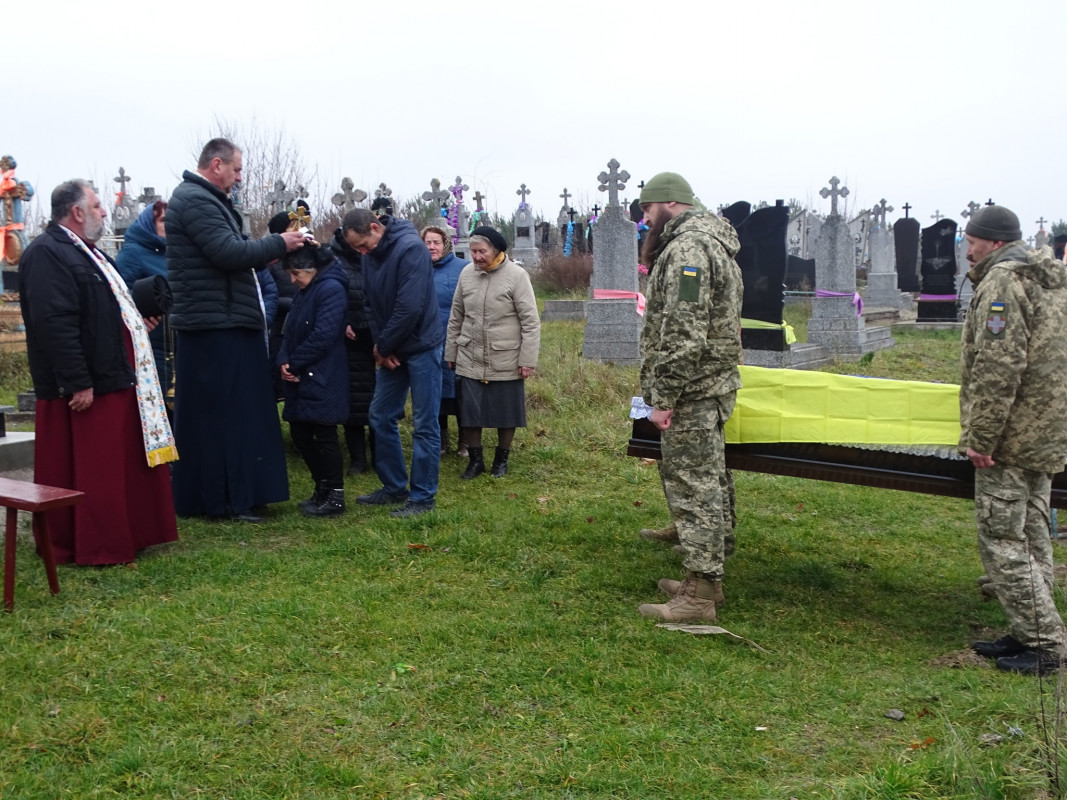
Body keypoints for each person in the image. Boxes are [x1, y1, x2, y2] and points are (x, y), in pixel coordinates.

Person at [19, 180, 178, 564]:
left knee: (117, 470)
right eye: (97, 205)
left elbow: (97, 309)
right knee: (96, 474)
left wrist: (133, 321)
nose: (104, 211)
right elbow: (54, 322)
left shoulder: (86, 252)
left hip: (112, 376)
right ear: (76, 212)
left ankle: (128, 534)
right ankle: (94, 543)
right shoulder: (48, 253)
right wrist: (77, 381)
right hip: (85, 387)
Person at [166, 137, 306, 522]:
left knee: (242, 411)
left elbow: (235, 252)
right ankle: (225, 499)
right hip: (215, 325)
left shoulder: (209, 200)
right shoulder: (194, 200)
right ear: (216, 165)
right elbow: (228, 253)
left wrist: (275, 249)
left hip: (226, 319)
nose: (240, 177)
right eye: (238, 169)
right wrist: (280, 241)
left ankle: (242, 492)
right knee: (223, 416)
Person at [961, 205, 1067, 676]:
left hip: (1012, 434)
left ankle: (1045, 643)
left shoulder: (1004, 280)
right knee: (1031, 531)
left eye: (974, 240)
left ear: (995, 242)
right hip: (1045, 428)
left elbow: (999, 366)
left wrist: (982, 436)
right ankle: (1028, 629)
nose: (968, 247)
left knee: (1001, 535)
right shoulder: (1046, 276)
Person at [633, 172, 743, 623]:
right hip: (707, 386)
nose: (644, 220)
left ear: (668, 204)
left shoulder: (688, 250)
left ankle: (697, 597)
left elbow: (684, 331)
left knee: (694, 488)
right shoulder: (709, 242)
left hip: (692, 391)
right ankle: (707, 583)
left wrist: (665, 397)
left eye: (646, 210)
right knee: (708, 481)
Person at [342, 208, 442, 518]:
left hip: (422, 345)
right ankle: (394, 486)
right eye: (356, 248)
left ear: (375, 227)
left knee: (425, 423)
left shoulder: (411, 249)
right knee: (380, 414)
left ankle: (423, 498)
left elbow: (408, 308)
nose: (361, 252)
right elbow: (370, 303)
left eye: (363, 245)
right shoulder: (369, 254)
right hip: (391, 347)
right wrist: (380, 345)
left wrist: (383, 347)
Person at [444, 226, 540, 479]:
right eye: (473, 251)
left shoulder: (517, 276)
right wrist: (451, 352)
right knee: (470, 412)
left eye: (481, 251)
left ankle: (501, 460)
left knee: (506, 412)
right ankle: (475, 461)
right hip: (470, 355)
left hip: (505, 356)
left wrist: (527, 359)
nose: (475, 256)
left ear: (496, 250)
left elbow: (530, 321)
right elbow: (456, 317)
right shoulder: (466, 274)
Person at [277, 244, 350, 517]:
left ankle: (335, 494)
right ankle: (321, 486)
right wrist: (283, 361)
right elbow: (289, 329)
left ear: (312, 269)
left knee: (324, 433)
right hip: (301, 372)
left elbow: (324, 335)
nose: (292, 280)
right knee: (300, 432)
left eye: (296, 273)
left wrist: (294, 363)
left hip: (323, 373)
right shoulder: (304, 291)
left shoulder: (331, 289)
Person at [330, 221, 376, 474]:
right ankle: (358, 458)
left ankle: (380, 453)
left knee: (379, 400)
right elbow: (328, 295)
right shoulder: (333, 259)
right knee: (353, 400)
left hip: (378, 337)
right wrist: (343, 321)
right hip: (349, 339)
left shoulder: (376, 255)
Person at [115, 200, 173, 394]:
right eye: (164, 220)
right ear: (150, 224)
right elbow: (119, 294)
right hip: (152, 344)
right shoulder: (132, 253)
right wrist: (146, 305)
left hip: (177, 343)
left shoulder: (173, 252)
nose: (169, 225)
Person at [423, 223, 469, 457]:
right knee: (434, 392)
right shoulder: (417, 269)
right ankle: (441, 440)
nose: (432, 247)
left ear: (446, 244)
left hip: (457, 340)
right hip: (427, 340)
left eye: (436, 242)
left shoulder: (463, 268)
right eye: (427, 242)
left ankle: (465, 441)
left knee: (461, 392)